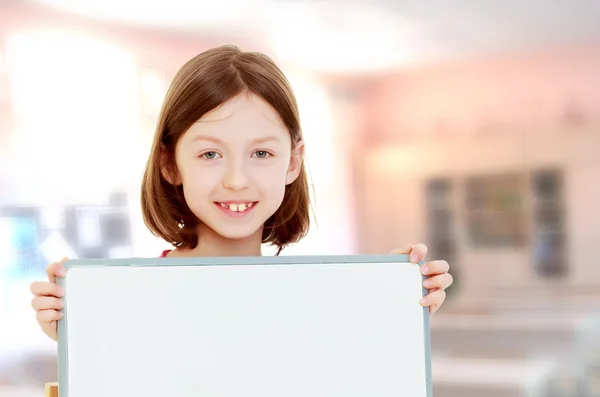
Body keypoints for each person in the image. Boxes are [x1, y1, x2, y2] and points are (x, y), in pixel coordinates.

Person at [30, 45, 453, 342]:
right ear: (170, 164)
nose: (237, 179)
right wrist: (71, 336)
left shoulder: (314, 303)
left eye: (262, 153)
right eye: (211, 153)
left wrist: (397, 311)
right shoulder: (124, 301)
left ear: (293, 162)